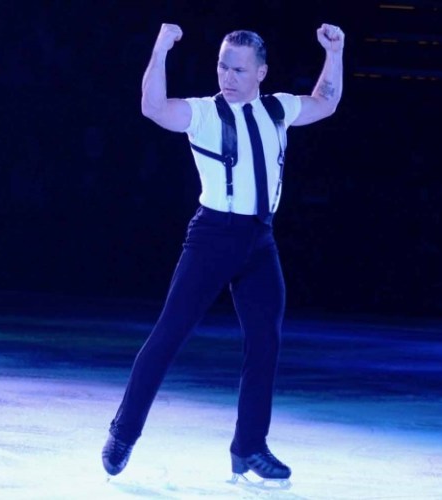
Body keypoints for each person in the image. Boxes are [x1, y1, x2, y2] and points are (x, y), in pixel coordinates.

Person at [102, 22, 344, 483]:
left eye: (238, 69)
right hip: (213, 237)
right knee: (168, 335)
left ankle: (248, 447)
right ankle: (123, 431)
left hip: (260, 239)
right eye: (222, 66)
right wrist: (161, 48)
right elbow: (153, 107)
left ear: (261, 73)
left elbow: (325, 102)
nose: (227, 77)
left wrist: (335, 53)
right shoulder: (204, 113)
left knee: (265, 340)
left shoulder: (277, 108)